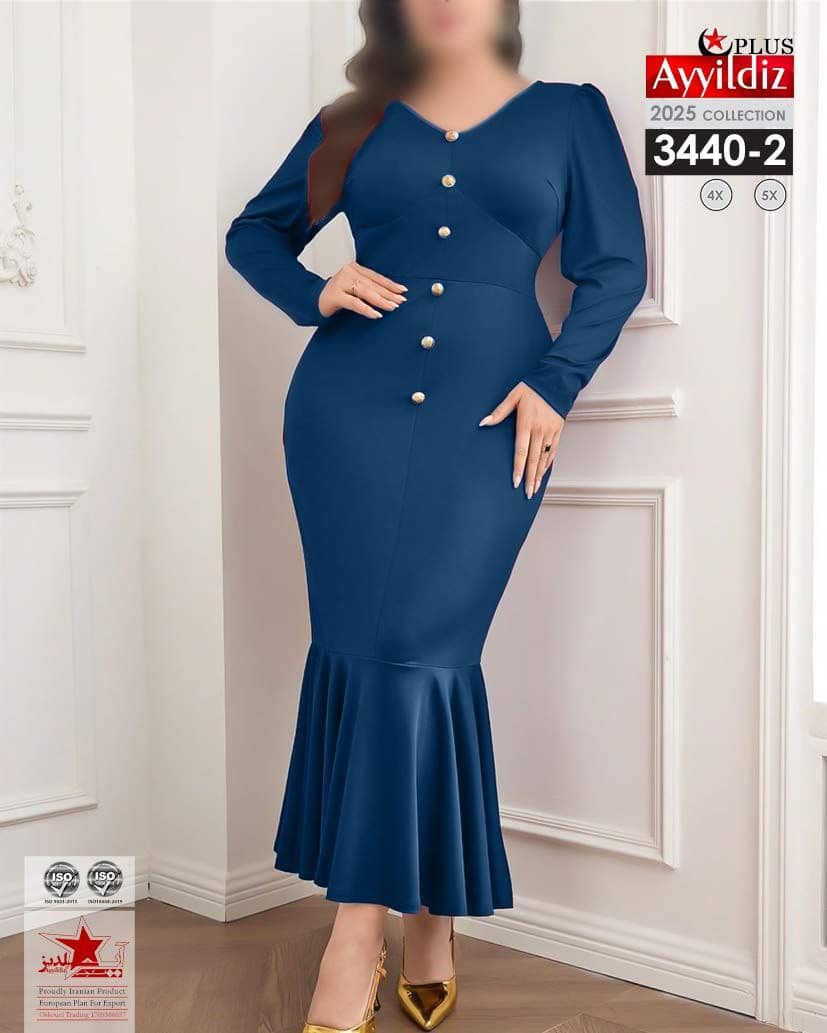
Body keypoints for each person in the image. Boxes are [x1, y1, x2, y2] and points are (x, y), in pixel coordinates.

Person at [225, 1, 647, 1030]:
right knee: (371, 652)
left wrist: (556, 381)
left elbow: (614, 266)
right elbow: (252, 232)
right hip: (344, 415)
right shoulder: (353, 119)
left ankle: (374, 923)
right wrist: (314, 291)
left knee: (422, 652)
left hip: (489, 420)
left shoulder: (569, 114)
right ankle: (402, 923)